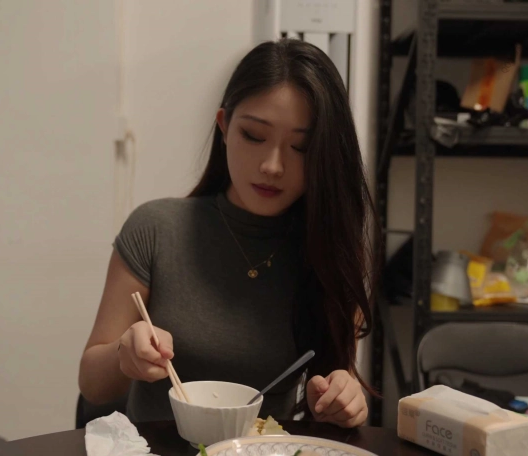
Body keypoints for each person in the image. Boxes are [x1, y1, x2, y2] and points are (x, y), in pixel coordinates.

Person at [78, 39, 376, 427]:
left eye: (301, 147)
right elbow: (92, 385)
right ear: (224, 126)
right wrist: (124, 353)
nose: (272, 166)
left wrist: (346, 398)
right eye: (254, 136)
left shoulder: (329, 248)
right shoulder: (155, 230)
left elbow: (335, 386)